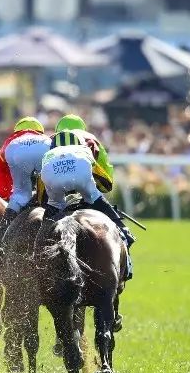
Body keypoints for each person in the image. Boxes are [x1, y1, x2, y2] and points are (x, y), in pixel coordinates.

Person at [43, 114, 134, 278]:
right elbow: (106, 180)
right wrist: (93, 190)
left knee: (52, 207)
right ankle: (124, 232)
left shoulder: (51, 140)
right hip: (83, 175)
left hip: (51, 176)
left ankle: (39, 249)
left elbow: (44, 177)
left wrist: (49, 202)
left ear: (58, 131)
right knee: (95, 197)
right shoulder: (91, 140)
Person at [0, 117, 53, 215]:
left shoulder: (11, 140)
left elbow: (0, 171)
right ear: (40, 131)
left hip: (17, 152)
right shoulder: (46, 138)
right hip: (44, 150)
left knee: (19, 193)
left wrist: (5, 196)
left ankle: (4, 227)